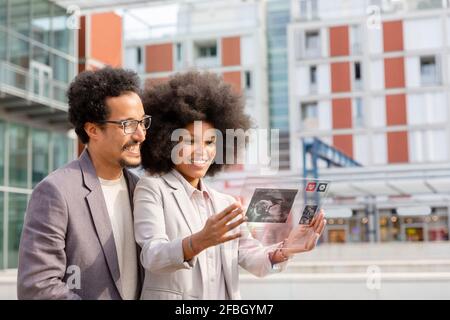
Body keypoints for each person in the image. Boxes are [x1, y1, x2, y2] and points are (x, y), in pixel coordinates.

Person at [134, 71, 326, 300]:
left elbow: (252, 258)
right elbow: (152, 256)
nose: (201, 151)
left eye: (210, 142)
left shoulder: (225, 203)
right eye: (189, 140)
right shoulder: (152, 188)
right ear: (165, 142)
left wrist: (285, 249)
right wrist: (198, 241)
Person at [17, 67, 148, 300]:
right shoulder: (55, 192)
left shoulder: (141, 191)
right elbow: (37, 287)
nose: (140, 135)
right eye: (128, 124)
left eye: (142, 122)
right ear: (93, 129)